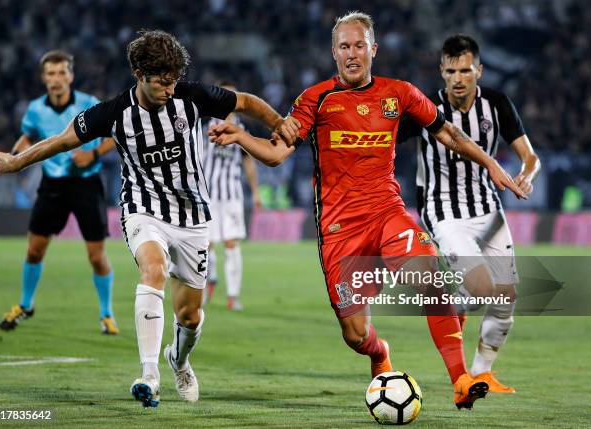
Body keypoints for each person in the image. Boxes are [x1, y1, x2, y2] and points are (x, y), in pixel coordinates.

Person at [209, 12, 526, 410]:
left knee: (431, 277)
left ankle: (461, 379)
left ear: (373, 50)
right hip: (340, 229)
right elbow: (276, 153)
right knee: (356, 334)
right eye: (345, 46)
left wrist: (490, 163)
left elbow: (447, 131)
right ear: (334, 52)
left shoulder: (400, 94)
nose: (352, 53)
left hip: (387, 212)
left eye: (359, 45)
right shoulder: (315, 99)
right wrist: (241, 136)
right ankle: (380, 355)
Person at [0, 30, 298, 408]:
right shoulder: (114, 113)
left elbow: (245, 101)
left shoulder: (192, 96)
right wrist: (17, 161)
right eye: (161, 82)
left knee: (191, 315)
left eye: (172, 81)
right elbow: (63, 140)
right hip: (143, 208)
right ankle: (149, 375)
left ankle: (178, 360)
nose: (169, 89)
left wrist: (279, 121)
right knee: (152, 269)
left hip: (192, 216)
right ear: (138, 73)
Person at [397, 34, 541, 393]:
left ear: (479, 70)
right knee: (480, 288)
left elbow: (530, 156)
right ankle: (455, 300)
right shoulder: (425, 108)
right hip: (442, 210)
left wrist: (526, 175)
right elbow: (383, 139)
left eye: (465, 70)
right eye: (451, 71)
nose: (458, 78)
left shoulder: (497, 104)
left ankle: (481, 372)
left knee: (506, 296)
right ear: (441, 72)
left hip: (487, 207)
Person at [0, 50, 118, 335]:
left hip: (87, 184)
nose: (56, 79)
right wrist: (15, 154)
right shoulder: (35, 109)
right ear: (43, 78)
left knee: (96, 256)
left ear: (71, 76)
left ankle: (107, 313)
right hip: (52, 185)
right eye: (50, 74)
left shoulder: (89, 104)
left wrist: (94, 155)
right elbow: (28, 135)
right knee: (34, 250)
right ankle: (25, 305)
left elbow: (115, 134)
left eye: (61, 72)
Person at [203, 81, 262, 311]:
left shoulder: (242, 128)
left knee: (231, 243)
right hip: (207, 195)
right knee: (206, 244)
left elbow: (249, 163)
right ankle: (210, 279)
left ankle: (233, 296)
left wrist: (255, 191)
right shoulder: (205, 123)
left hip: (231, 195)